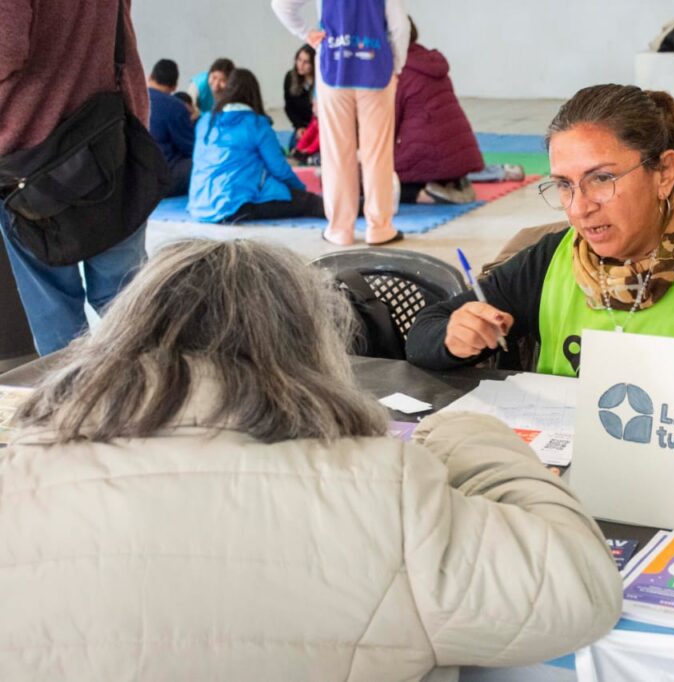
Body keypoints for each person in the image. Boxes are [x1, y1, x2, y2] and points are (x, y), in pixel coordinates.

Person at [0, 239, 623, 679]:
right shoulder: (386, 494)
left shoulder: (17, 480)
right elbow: (581, 588)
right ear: (311, 348)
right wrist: (467, 434)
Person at [406, 84, 674, 376]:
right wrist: (455, 338)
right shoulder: (552, 260)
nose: (580, 208)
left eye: (602, 179)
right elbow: (425, 331)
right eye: (564, 185)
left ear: (664, 173)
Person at [0, 0, 149, 356]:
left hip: (31, 147)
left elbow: (5, 49)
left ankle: (72, 405)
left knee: (55, 313)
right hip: (114, 134)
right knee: (127, 301)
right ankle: (154, 396)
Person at [273, 0, 410, 246]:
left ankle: (339, 230)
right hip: (376, 67)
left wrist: (306, 33)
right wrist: (397, 66)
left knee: (336, 153)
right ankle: (379, 228)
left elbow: (281, 5)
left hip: (333, 69)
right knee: (377, 153)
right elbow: (400, 26)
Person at [188, 69, 324, 223]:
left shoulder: (205, 121)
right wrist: (300, 189)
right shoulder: (256, 124)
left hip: (199, 204)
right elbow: (279, 169)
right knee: (311, 203)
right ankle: (355, 207)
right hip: (234, 204)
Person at [394, 18, 482, 205]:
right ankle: (451, 183)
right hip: (460, 155)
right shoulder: (428, 60)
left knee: (368, 181)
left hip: (429, 154)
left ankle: (425, 195)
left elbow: (387, 124)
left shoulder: (399, 68)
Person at [147, 59, 195, 196]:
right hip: (162, 178)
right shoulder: (176, 107)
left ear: (150, 77)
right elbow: (189, 147)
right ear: (174, 86)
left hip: (134, 178)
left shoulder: (132, 99)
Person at [283, 44, 316, 137]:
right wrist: (299, 126)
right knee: (295, 148)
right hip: (302, 126)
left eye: (306, 62)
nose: (300, 65)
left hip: (319, 126)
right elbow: (289, 107)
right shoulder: (290, 77)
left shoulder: (321, 82)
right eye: (299, 60)